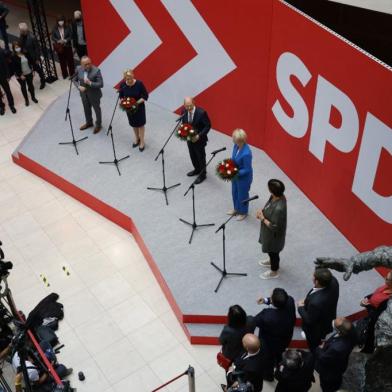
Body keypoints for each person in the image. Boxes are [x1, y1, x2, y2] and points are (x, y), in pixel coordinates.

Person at [254, 288, 296, 381]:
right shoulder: (290, 300)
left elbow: (254, 321)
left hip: (269, 343)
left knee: (268, 360)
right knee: (280, 355)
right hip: (285, 339)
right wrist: (266, 300)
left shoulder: (267, 316)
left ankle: (268, 376)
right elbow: (281, 300)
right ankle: (280, 367)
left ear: (273, 300)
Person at [297, 268, 339, 351]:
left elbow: (309, 320)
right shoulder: (334, 281)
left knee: (313, 344)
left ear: (317, 281)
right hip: (328, 316)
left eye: (313, 276)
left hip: (316, 329)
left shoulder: (315, 303)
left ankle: (315, 354)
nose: (312, 277)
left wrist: (300, 307)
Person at [256, 179, 287, 279]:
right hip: (268, 232)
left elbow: (274, 227)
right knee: (271, 252)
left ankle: (274, 271)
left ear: (272, 191)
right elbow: (268, 205)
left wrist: (262, 218)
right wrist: (262, 210)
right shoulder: (274, 196)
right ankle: (270, 261)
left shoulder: (279, 209)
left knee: (274, 253)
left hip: (274, 236)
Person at [315, 317, 356, 392]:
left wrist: (319, 348)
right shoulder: (350, 331)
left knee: (327, 387)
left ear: (339, 330)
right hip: (340, 365)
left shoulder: (337, 348)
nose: (333, 321)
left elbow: (323, 358)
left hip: (329, 373)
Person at [359, 271, 392, 353]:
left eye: (387, 279)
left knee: (371, 339)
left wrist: (367, 306)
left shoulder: (389, 301)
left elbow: (378, 315)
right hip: (372, 315)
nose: (384, 279)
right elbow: (375, 294)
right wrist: (366, 298)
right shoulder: (386, 286)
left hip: (378, 325)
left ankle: (367, 351)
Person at [182, 97, 211, 184]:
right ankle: (197, 169)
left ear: (194, 103)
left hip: (199, 139)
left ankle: (203, 174)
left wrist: (199, 136)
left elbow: (208, 126)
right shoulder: (184, 112)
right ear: (184, 105)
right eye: (187, 106)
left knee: (200, 157)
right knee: (192, 155)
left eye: (190, 106)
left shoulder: (201, 113)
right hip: (189, 139)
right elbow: (183, 123)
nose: (189, 108)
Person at [118, 69, 149, 151]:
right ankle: (137, 138)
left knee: (140, 124)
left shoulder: (139, 84)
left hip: (139, 108)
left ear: (133, 76)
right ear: (124, 78)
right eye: (127, 79)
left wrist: (135, 104)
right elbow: (121, 96)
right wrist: (122, 102)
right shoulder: (123, 85)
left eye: (130, 78)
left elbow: (145, 96)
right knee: (133, 124)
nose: (129, 80)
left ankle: (142, 141)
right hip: (129, 109)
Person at [228, 129, 253, 221]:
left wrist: (234, 172)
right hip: (235, 175)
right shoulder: (236, 146)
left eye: (234, 138)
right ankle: (236, 209)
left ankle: (243, 212)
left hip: (244, 178)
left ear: (239, 140)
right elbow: (233, 158)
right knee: (234, 192)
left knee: (242, 195)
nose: (232, 139)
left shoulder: (247, 153)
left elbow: (247, 169)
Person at [73, 56, 103, 134]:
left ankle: (98, 124)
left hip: (94, 95)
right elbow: (74, 79)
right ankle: (89, 123)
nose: (88, 66)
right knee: (86, 109)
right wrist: (79, 86)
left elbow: (101, 84)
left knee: (97, 110)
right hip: (83, 95)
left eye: (89, 63)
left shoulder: (96, 71)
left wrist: (90, 83)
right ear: (81, 65)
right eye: (85, 64)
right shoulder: (78, 69)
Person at [18, 22, 45, 89]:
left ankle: (43, 81)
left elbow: (37, 48)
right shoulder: (21, 36)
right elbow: (20, 45)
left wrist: (37, 58)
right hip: (26, 57)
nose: (20, 32)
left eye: (21, 31)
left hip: (33, 57)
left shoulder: (32, 37)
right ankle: (30, 85)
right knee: (29, 71)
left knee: (38, 70)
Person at [11, 41, 38, 106]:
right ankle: (26, 100)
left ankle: (33, 97)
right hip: (21, 75)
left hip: (28, 72)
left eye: (18, 47)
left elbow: (31, 61)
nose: (18, 48)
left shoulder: (25, 53)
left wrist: (33, 69)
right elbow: (14, 68)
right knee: (23, 87)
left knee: (31, 86)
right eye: (16, 47)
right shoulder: (13, 56)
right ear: (14, 49)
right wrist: (20, 75)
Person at [0, 46, 15, 113]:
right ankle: (1, 106)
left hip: (2, 75)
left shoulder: (1, 51)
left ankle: (11, 105)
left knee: (7, 91)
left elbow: (5, 64)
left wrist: (8, 75)